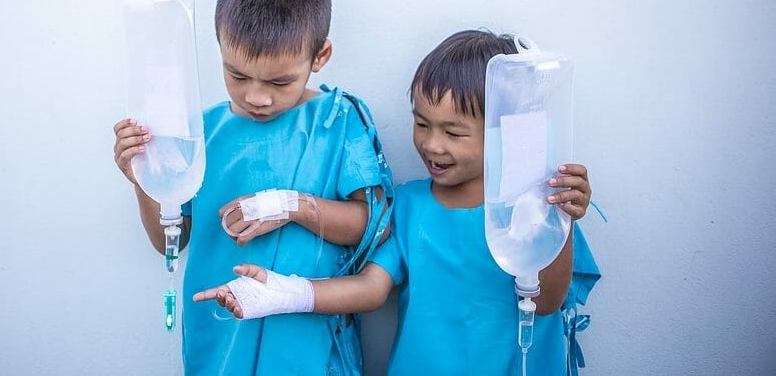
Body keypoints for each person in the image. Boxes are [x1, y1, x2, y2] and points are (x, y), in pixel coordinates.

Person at [196, 30, 601, 375]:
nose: (431, 144)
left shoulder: (532, 208)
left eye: (454, 132)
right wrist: (285, 292)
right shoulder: (408, 206)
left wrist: (558, 219)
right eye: (421, 123)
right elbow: (372, 288)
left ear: (503, 132)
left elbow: (545, 302)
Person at [112, 0, 392, 375]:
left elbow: (373, 225)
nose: (256, 97)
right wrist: (144, 181)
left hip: (311, 348)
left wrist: (290, 206)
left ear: (319, 57)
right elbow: (171, 239)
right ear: (220, 45)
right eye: (238, 76)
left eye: (280, 81)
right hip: (222, 342)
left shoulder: (339, 121)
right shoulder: (198, 132)